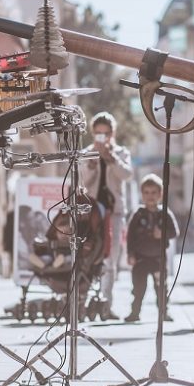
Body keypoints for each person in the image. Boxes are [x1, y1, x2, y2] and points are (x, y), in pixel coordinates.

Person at [81, 112, 133, 320]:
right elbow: (83, 180)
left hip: (114, 213)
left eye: (106, 133)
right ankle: (83, 304)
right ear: (93, 134)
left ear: (113, 133)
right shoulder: (87, 153)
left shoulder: (121, 152)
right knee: (87, 258)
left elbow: (127, 175)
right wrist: (93, 161)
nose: (103, 137)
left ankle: (105, 306)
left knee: (111, 260)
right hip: (91, 213)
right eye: (98, 133)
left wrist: (111, 159)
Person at [124, 174, 179, 322]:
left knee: (161, 287)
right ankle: (135, 312)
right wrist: (130, 254)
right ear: (142, 195)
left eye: (154, 192)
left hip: (158, 258)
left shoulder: (165, 213)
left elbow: (175, 232)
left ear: (160, 194)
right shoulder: (138, 214)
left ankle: (163, 312)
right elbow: (130, 236)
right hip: (140, 258)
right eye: (147, 193)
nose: (150, 196)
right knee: (138, 288)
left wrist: (162, 234)